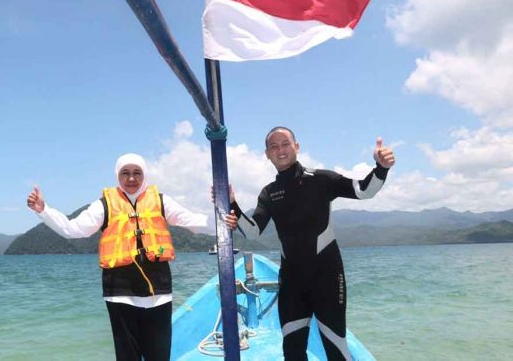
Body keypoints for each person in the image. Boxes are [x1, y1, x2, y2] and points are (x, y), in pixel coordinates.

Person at [26, 152, 237, 361]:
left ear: (144, 175)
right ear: (117, 175)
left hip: (158, 292)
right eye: (125, 173)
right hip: (120, 293)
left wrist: (223, 217)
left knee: (159, 356)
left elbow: (193, 221)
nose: (132, 178)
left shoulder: (162, 201)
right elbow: (73, 229)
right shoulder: (104, 205)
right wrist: (43, 210)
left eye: (137, 172)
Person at [229, 126, 395, 361]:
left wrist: (381, 168)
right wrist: (232, 204)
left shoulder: (321, 180)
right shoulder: (269, 193)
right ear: (267, 154)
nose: (280, 150)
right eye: (274, 146)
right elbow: (253, 231)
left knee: (335, 347)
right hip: (292, 283)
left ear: (296, 147)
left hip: (326, 277)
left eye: (285, 143)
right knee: (293, 351)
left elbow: (364, 190)